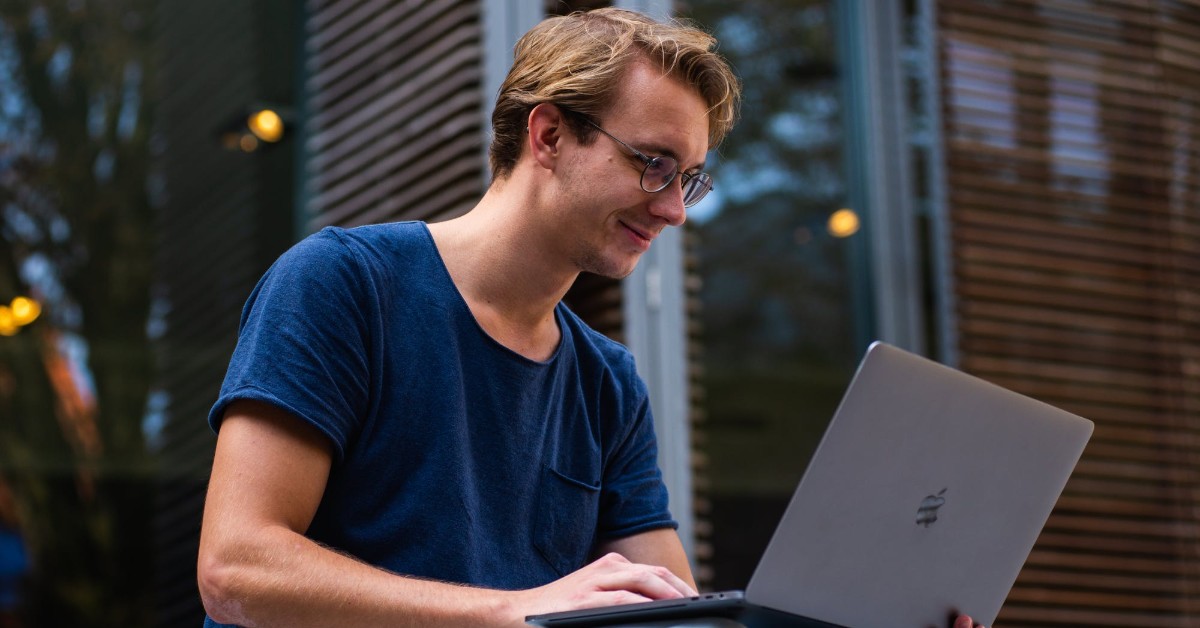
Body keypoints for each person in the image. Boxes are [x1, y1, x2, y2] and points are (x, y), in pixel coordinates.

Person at [197, 7, 984, 628]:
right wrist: (513, 611)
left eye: (691, 180)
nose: (675, 209)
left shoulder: (607, 383)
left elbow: (673, 618)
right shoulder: (343, 286)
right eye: (653, 165)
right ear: (548, 135)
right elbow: (236, 572)